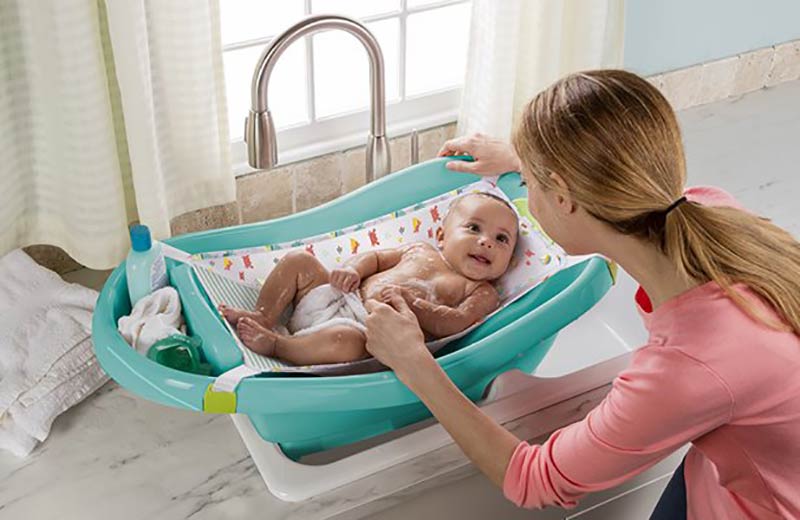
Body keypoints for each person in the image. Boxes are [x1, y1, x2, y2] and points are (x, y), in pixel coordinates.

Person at [362, 69, 800, 519]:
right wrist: (524, 160)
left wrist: (416, 364)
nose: (526, 196)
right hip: (735, 469)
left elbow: (534, 479)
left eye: (531, 185)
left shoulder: (688, 369)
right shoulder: (706, 208)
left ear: (565, 198)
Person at [218, 192, 519, 366]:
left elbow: (456, 323)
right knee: (300, 262)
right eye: (474, 228)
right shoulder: (418, 250)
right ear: (442, 236)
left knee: (346, 343)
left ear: (510, 258)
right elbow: (375, 258)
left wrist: (413, 304)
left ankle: (279, 345)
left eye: (502, 239)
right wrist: (353, 270)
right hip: (338, 297)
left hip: (366, 332)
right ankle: (264, 315)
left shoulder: (481, 291)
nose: (486, 242)